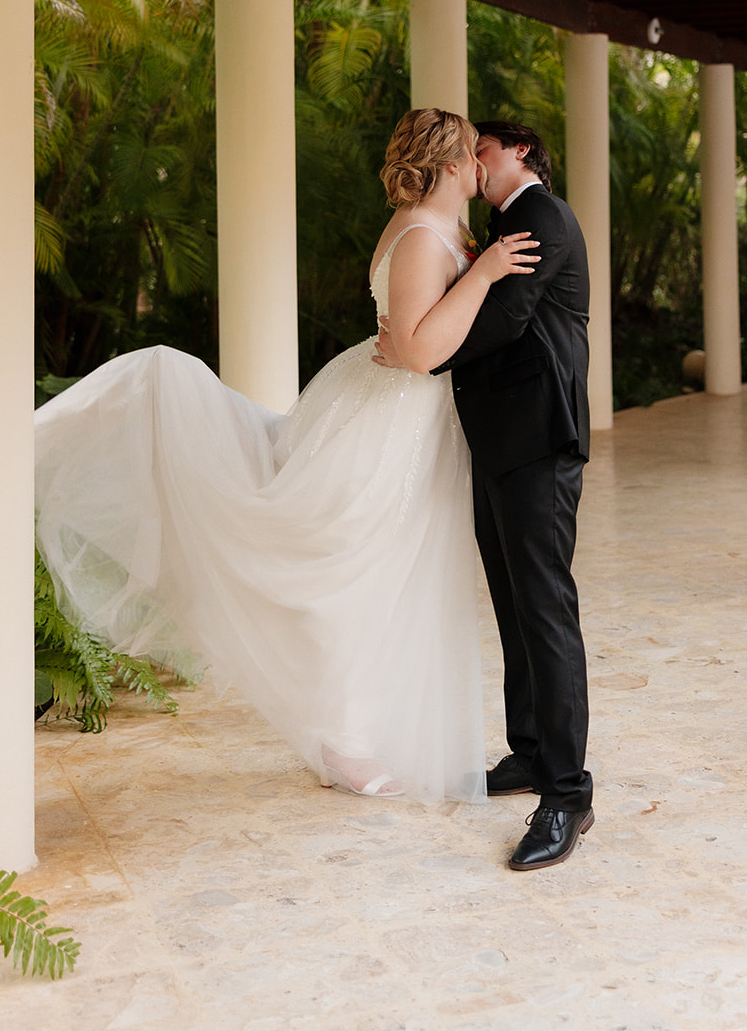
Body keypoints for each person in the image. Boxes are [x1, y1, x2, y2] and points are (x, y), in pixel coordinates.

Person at [34, 109, 538, 808]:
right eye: (472, 154)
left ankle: (355, 729)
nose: (483, 165)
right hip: (388, 420)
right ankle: (342, 739)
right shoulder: (425, 237)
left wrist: (476, 268)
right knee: (354, 574)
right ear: (452, 164)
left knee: (388, 577)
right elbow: (420, 352)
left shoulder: (449, 228)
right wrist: (481, 276)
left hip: (406, 415)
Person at [376, 121, 593, 870]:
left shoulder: (540, 217)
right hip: (498, 438)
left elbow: (505, 320)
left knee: (543, 610)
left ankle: (567, 794)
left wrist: (416, 350)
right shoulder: (495, 227)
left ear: (521, 154)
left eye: (486, 150)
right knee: (510, 602)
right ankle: (530, 753)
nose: (476, 161)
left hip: (537, 438)